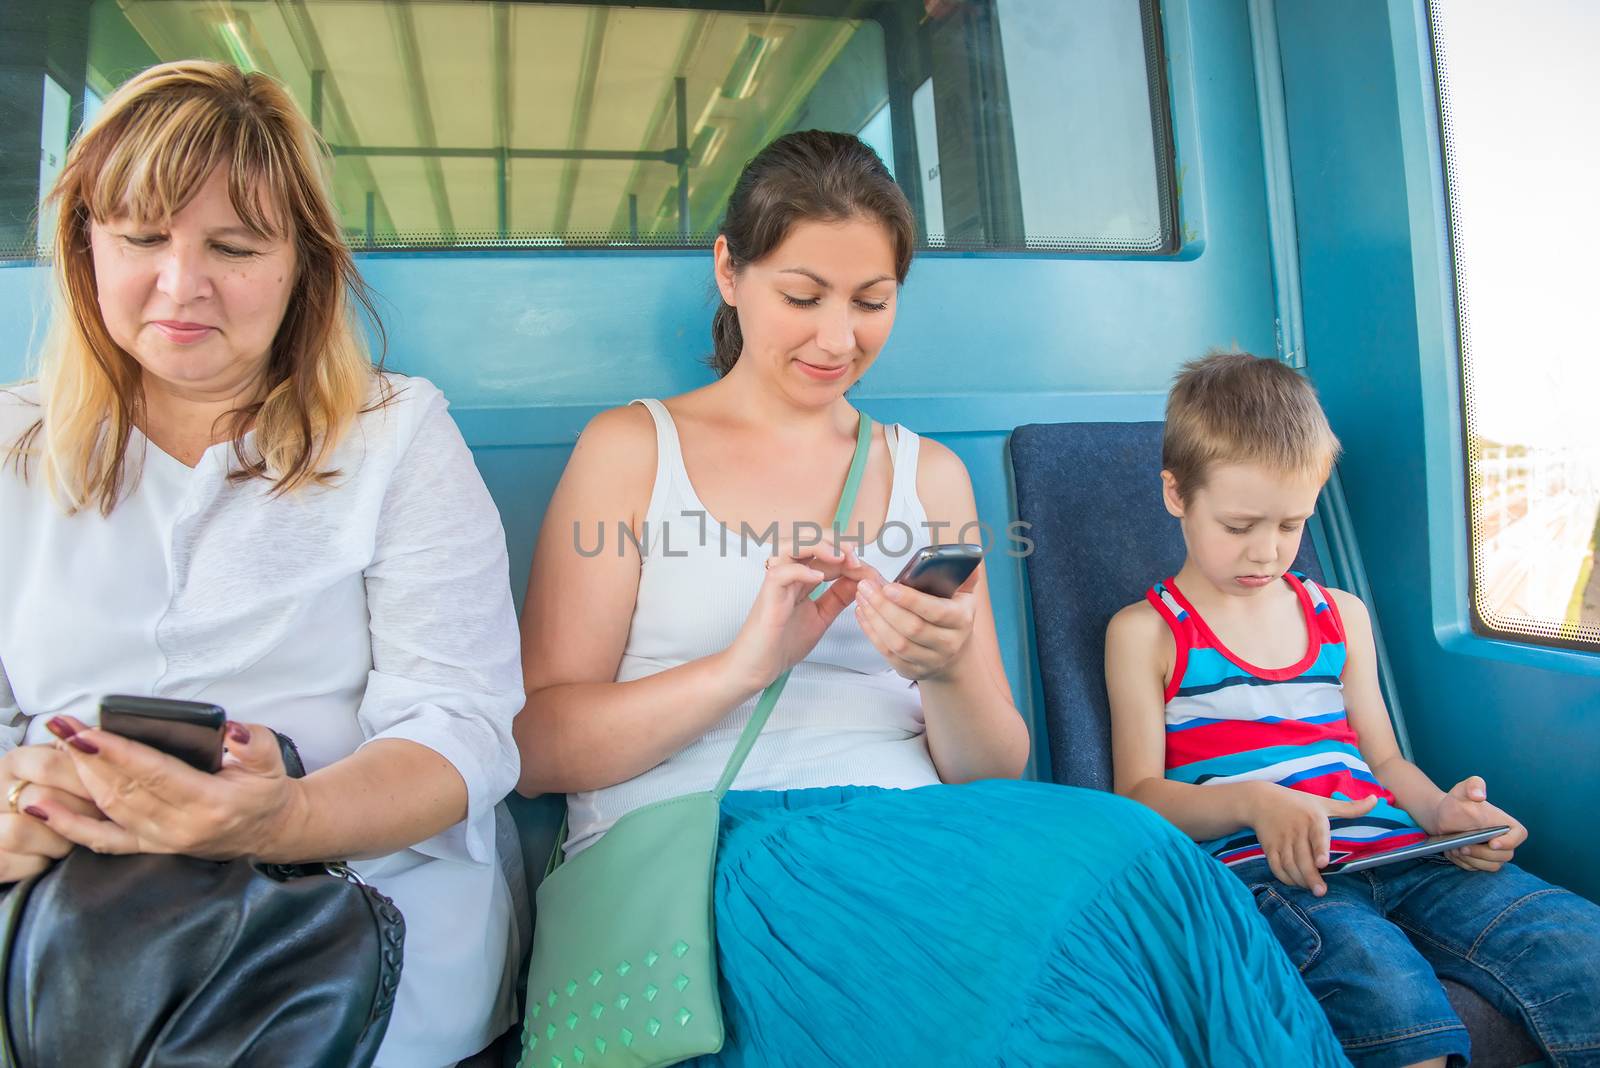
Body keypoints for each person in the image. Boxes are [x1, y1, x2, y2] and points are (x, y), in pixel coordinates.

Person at [516, 131, 1349, 1065]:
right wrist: (744, 669)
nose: (839, 338)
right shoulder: (631, 453)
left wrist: (947, 671)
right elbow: (540, 748)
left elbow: (995, 764)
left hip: (923, 827)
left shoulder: (931, 480)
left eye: (872, 302)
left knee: (1139, 858)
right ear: (729, 271)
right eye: (803, 297)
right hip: (714, 844)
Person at [0, 61, 524, 1067]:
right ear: (84, 248)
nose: (179, 285)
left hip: (341, 916)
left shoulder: (393, 433)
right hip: (70, 938)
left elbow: (463, 730)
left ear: (302, 267)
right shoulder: (13, 442)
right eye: (141, 239)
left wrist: (285, 814)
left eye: (233, 247)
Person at [1105, 352, 1600, 1067]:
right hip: (1283, 879)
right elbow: (1141, 798)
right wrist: (1255, 803)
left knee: (1574, 947)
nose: (1267, 552)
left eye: (1290, 524)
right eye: (1240, 525)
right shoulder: (1146, 632)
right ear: (1177, 494)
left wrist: (1441, 815)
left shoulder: (1341, 616)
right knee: (1395, 1013)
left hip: (1408, 851)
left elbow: (1383, 758)